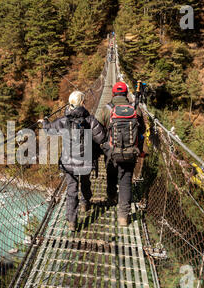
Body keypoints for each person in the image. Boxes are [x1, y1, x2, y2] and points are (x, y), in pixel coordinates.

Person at [39, 91, 106, 232]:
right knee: (86, 182)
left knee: (71, 190)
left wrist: (45, 122)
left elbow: (49, 130)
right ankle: (85, 203)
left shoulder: (63, 121)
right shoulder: (90, 120)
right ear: (82, 103)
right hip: (86, 161)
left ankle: (72, 221)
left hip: (68, 163)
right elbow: (101, 138)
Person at [95, 81, 145, 226]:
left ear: (113, 94)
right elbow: (141, 131)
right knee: (125, 181)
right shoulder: (135, 108)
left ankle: (111, 197)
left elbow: (99, 128)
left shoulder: (107, 108)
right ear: (126, 93)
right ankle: (123, 217)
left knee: (111, 172)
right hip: (130, 152)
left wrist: (103, 144)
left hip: (112, 151)